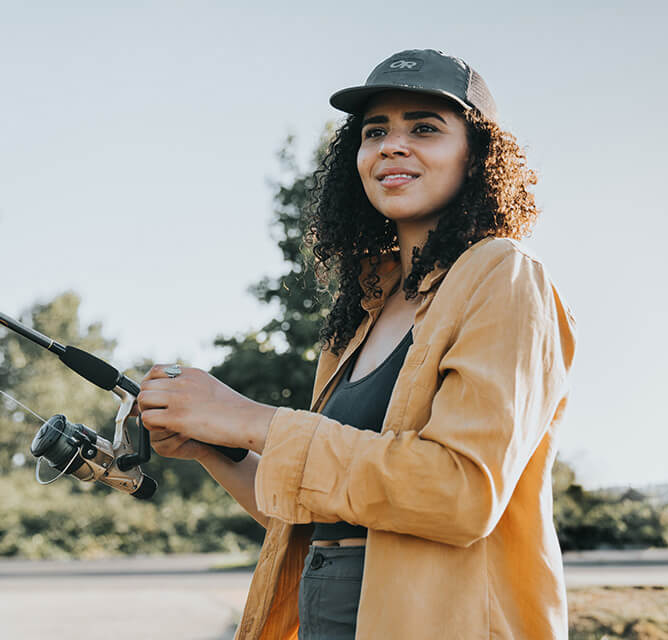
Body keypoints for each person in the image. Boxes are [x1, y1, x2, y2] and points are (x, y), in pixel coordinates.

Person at [135, 49, 577, 640]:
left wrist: (249, 418)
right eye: (376, 132)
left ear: (478, 155)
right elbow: (313, 509)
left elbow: (460, 493)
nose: (393, 145)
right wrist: (214, 445)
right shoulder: (367, 303)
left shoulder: (505, 274)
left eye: (425, 127)